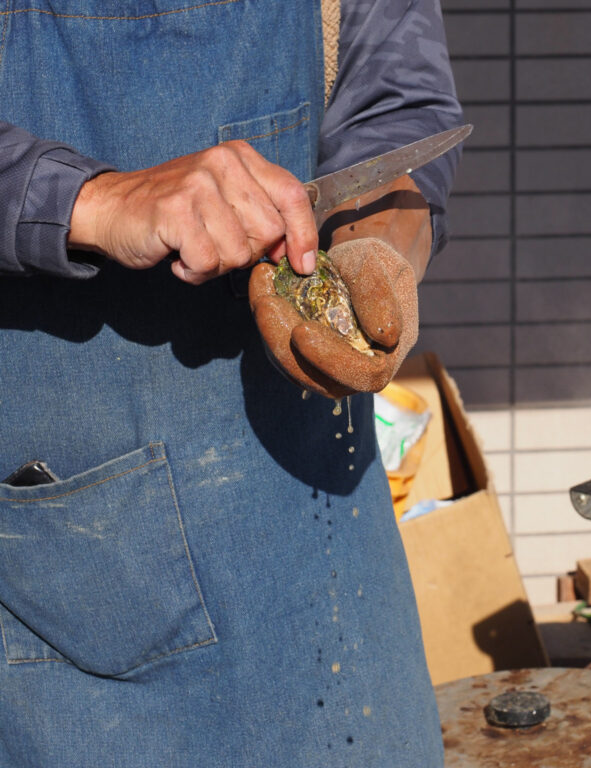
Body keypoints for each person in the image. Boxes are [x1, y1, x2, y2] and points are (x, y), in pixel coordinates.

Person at [0, 1, 462, 766]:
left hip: (319, 539)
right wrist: (95, 200)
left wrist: (379, 243)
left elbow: (400, 98)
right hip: (70, 575)